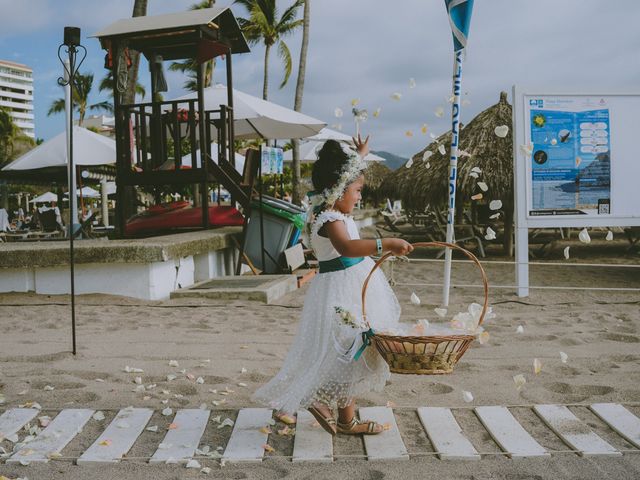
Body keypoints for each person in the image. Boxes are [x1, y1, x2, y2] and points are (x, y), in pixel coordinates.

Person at [252, 136, 412, 435]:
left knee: (355, 351)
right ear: (338, 190)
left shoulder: (333, 210)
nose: (359, 197)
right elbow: (348, 247)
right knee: (344, 350)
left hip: (349, 286)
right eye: (357, 191)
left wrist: (360, 154)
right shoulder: (328, 218)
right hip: (340, 292)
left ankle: (346, 418)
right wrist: (384, 243)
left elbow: (345, 184)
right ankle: (320, 400)